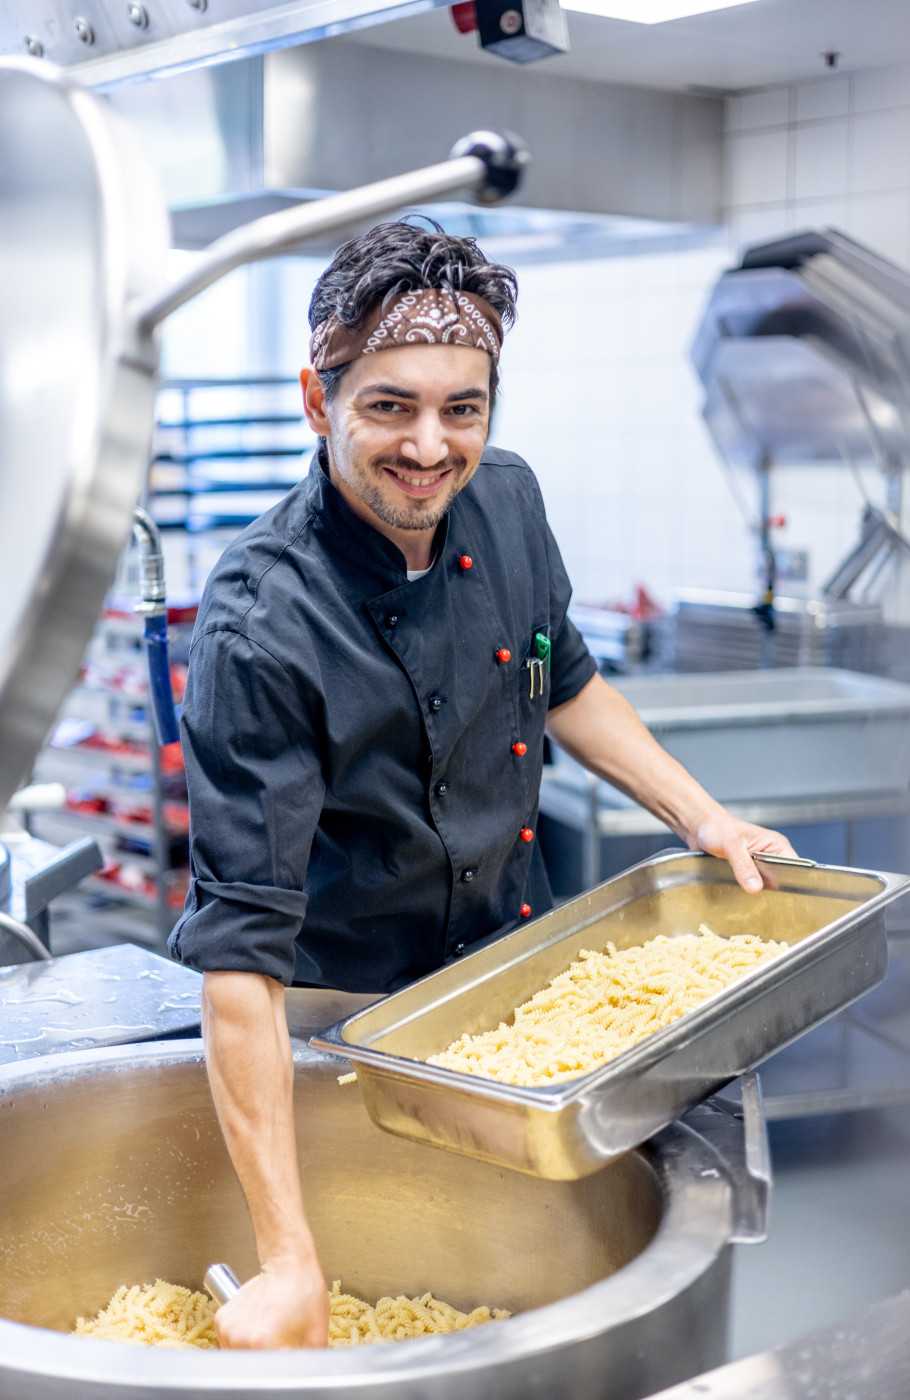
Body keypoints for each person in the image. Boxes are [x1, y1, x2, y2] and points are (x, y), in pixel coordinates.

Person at [169, 221, 797, 1350]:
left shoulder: (508, 502)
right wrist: (287, 1258)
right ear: (319, 403)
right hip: (345, 1027)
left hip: (522, 991)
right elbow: (238, 961)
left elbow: (565, 681)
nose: (429, 446)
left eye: (463, 407)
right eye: (389, 406)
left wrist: (700, 814)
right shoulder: (258, 627)